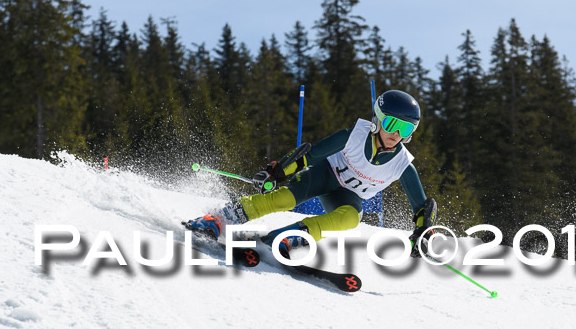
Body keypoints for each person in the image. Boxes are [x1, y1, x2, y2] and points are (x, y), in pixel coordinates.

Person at [186, 89, 437, 257]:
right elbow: (311, 155)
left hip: (346, 195)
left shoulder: (402, 163)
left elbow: (421, 208)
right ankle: (218, 218)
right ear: (379, 119)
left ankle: (288, 237)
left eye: (406, 128)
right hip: (323, 175)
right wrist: (278, 171)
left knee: (351, 218)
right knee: (284, 199)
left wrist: (422, 233)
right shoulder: (354, 136)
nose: (397, 134)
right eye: (393, 124)